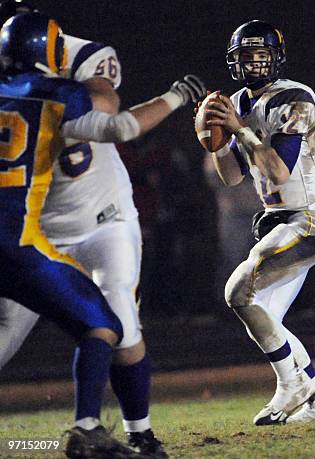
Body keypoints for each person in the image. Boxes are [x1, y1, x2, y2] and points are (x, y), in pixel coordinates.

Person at [0, 11, 204, 458]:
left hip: (101, 219)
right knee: (35, 332)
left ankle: (139, 432)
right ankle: (87, 431)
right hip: (37, 236)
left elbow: (107, 102)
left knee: (121, 325)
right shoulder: (53, 93)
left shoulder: (81, 59)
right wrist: (175, 96)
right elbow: (120, 123)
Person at [200, 20, 315, 425]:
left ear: (277, 58)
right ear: (234, 62)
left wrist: (238, 130)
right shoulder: (237, 102)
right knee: (263, 314)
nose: (255, 64)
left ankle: (291, 386)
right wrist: (213, 143)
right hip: (278, 221)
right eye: (247, 57)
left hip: (311, 220)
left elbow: (279, 170)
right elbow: (232, 177)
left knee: (237, 292)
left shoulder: (295, 99)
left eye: (262, 55)